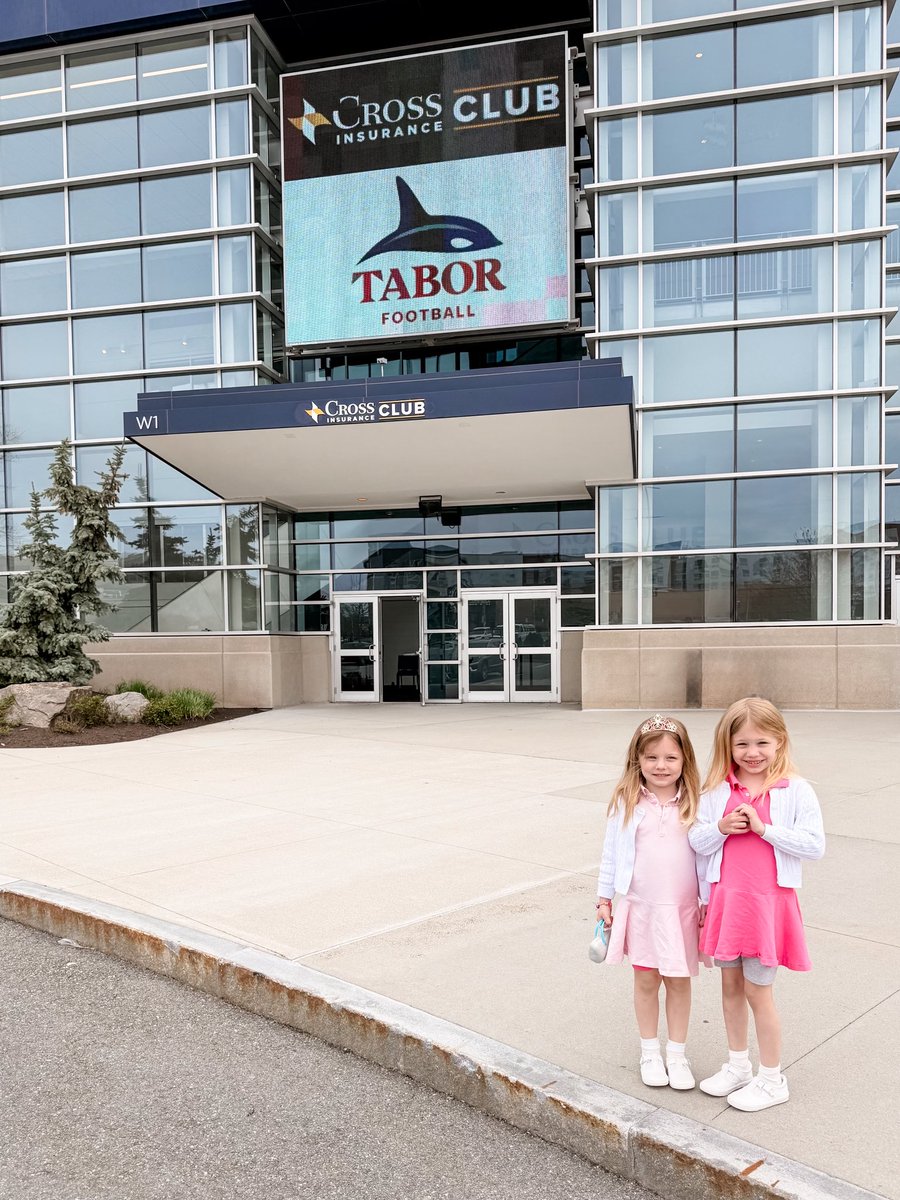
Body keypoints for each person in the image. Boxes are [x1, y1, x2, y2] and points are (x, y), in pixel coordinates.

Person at [689, 697, 825, 1112]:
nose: (752, 753)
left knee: (758, 992)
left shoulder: (795, 790)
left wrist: (766, 830)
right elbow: (696, 840)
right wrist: (721, 828)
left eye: (762, 743)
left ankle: (772, 1078)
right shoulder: (716, 791)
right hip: (727, 904)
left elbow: (814, 845)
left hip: (767, 906)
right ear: (727, 746)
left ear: (780, 742)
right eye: (742, 744)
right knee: (730, 986)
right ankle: (738, 1065)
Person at [596, 714, 704, 1091]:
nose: (661, 766)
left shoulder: (696, 803)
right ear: (637, 760)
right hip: (641, 906)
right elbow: (611, 854)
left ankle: (677, 1053)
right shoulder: (627, 801)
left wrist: (709, 898)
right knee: (646, 980)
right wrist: (603, 898)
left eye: (670, 758)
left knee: (678, 980)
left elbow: (708, 856)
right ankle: (650, 1051)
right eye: (652, 758)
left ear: (684, 761)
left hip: (681, 909)